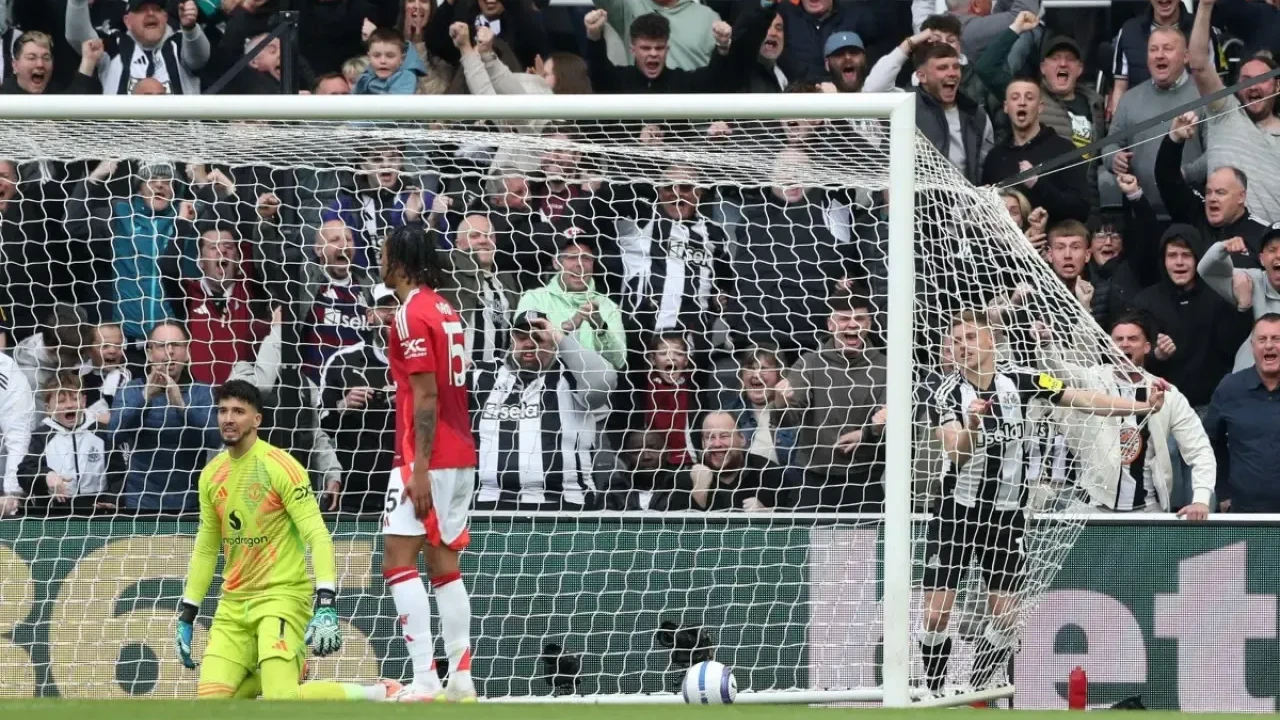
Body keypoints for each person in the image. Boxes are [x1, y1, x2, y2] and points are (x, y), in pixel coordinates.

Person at [922, 309, 1164, 692]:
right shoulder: (946, 393)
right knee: (936, 615)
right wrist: (972, 426)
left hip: (1006, 516)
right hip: (956, 512)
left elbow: (1081, 398)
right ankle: (933, 690)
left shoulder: (1023, 379)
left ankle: (972, 691)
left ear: (991, 341)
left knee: (1006, 619)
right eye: (956, 339)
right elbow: (957, 454)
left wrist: (1141, 407)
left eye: (970, 337)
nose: (962, 346)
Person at [174, 379, 395, 701]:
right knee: (211, 705)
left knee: (281, 700)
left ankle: (377, 693)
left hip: (282, 597)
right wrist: (188, 612)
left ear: (257, 419)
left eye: (238, 411)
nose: (228, 419)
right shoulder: (211, 475)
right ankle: (277, 672)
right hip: (233, 605)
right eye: (222, 411)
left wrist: (326, 601)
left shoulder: (281, 466)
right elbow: (207, 548)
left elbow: (317, 534)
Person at [378, 225, 478, 702]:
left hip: (426, 458)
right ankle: (461, 679)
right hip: (461, 454)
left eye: (384, 254)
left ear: (399, 261)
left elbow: (426, 394)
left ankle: (424, 679)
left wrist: (418, 467)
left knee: (397, 559)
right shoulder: (445, 309)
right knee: (443, 564)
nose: (379, 261)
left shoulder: (409, 313)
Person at [1203, 313, 1280, 513]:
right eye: (1262, 339)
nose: (1269, 345)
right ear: (1252, 347)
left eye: (1276, 339)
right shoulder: (1230, 388)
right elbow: (1209, 442)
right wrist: (1222, 491)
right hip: (1243, 511)